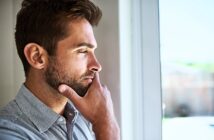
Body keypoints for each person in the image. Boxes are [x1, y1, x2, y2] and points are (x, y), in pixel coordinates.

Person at [0, 0, 120, 140]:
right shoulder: (8, 133)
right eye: (82, 51)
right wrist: (105, 125)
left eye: (92, 51)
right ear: (37, 57)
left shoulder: (82, 120)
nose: (97, 65)